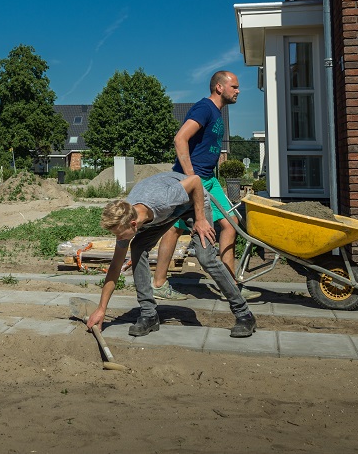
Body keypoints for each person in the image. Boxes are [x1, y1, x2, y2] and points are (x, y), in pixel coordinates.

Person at [86, 170, 257, 338]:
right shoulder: (127, 219)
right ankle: (149, 315)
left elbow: (195, 181)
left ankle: (244, 314)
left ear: (133, 224)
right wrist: (101, 309)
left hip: (193, 202)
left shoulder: (163, 199)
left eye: (120, 235)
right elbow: (116, 267)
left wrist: (200, 219)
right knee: (137, 246)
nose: (119, 239)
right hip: (169, 212)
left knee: (205, 258)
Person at [152, 70, 260, 301]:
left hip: (209, 180)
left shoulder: (217, 113)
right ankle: (159, 284)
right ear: (219, 87)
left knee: (231, 224)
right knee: (175, 229)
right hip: (192, 180)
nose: (238, 91)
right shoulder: (204, 108)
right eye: (234, 87)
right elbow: (180, 138)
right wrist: (192, 180)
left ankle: (229, 286)